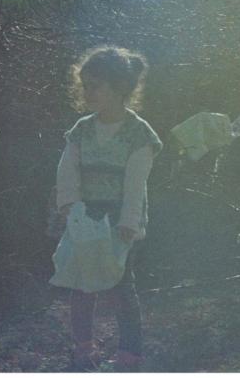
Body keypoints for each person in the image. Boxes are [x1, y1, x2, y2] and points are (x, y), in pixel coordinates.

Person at [54, 45, 162, 371]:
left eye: (95, 86)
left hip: (118, 219)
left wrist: (129, 220)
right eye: (84, 86)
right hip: (85, 216)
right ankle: (83, 347)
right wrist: (68, 205)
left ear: (119, 88)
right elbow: (67, 169)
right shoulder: (82, 129)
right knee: (81, 284)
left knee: (120, 287)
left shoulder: (139, 134)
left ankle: (130, 352)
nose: (87, 92)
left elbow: (136, 183)